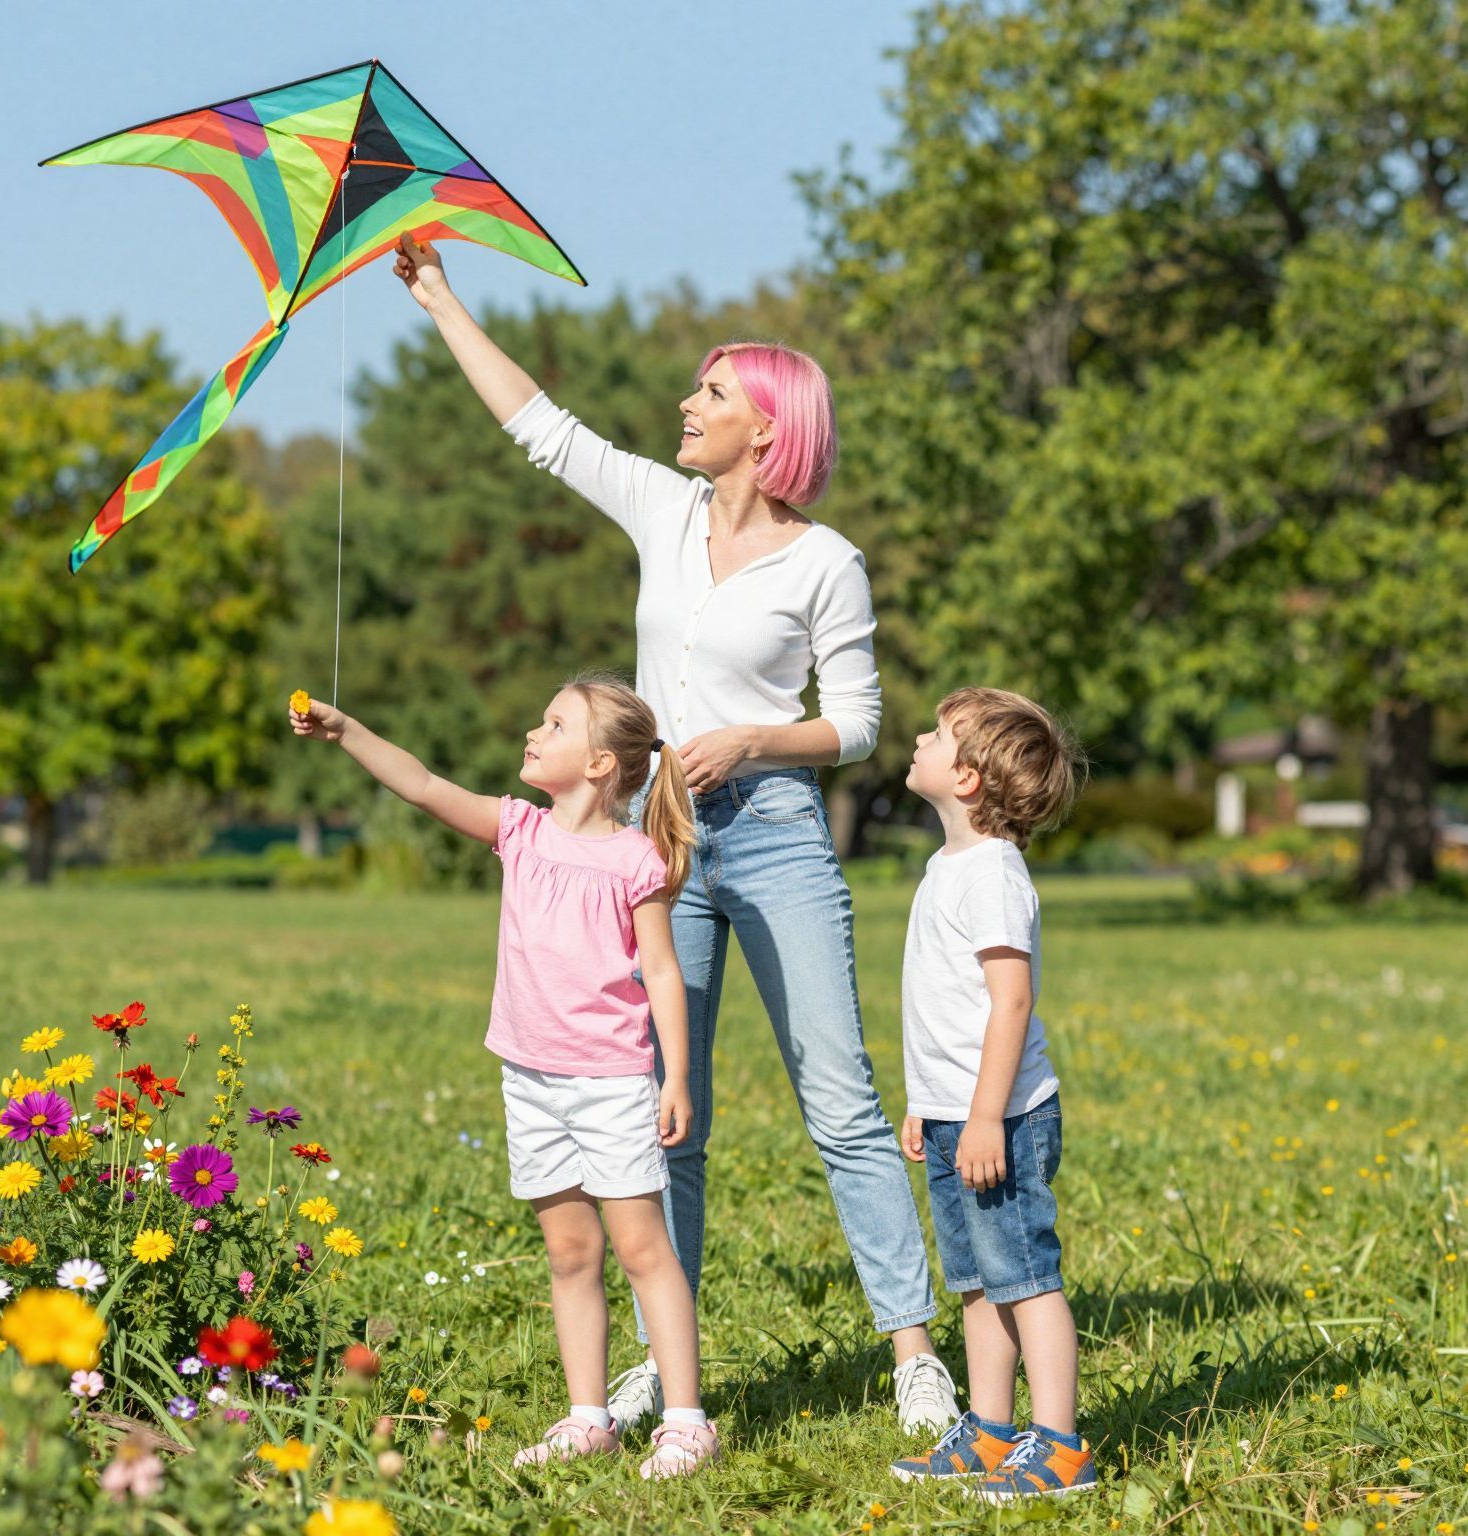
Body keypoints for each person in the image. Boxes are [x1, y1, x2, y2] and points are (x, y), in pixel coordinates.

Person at [392, 231, 961, 1438]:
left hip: (775, 837)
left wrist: (754, 739)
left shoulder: (827, 564)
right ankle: (667, 1367)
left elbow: (855, 727)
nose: (684, 406)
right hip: (663, 846)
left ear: (767, 426)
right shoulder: (661, 503)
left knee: (839, 1098)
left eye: (709, 393)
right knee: (665, 1107)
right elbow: (541, 427)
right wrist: (440, 297)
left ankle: (913, 1351)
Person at [290, 675, 720, 1478]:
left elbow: (663, 973)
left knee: (641, 1249)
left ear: (598, 764)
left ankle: (688, 1421)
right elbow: (420, 784)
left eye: (553, 724)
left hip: (611, 1082)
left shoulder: (637, 861)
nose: (532, 731)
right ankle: (589, 1416)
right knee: (567, 1251)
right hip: (531, 1079)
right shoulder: (517, 830)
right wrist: (347, 730)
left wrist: (677, 1076)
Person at [890, 687, 1094, 1500]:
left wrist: (981, 1118)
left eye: (936, 736)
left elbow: (1010, 1003)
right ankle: (991, 1430)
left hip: (1000, 1118)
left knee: (1025, 1277)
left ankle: (1061, 1446)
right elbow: (943, 1009)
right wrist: (928, 1104)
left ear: (969, 777)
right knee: (976, 1279)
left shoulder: (995, 876)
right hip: (955, 1117)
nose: (917, 740)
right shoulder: (948, 865)